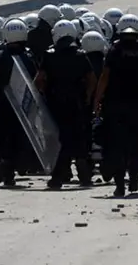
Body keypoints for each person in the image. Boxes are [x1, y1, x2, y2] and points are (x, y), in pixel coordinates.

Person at [94, 14, 138, 197]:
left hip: (115, 104)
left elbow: (105, 76)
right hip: (137, 104)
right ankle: (134, 181)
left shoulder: (114, 50)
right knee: (135, 142)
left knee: (116, 143)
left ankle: (120, 185)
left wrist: (97, 99)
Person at [35, 20, 96, 189]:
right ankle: (83, 175)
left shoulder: (49, 55)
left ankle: (58, 178)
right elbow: (92, 79)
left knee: (64, 140)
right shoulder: (81, 55)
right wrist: (88, 98)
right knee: (77, 137)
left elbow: (39, 79)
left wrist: (43, 95)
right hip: (76, 103)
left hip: (54, 104)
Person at [0, 18, 35, 186]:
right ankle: (11, 170)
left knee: (1, 137)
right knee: (17, 138)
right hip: (22, 106)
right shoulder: (28, 57)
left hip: (1, 104)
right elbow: (34, 81)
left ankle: (2, 166)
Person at [80, 30, 109, 177]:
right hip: (104, 103)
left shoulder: (82, 60)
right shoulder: (105, 61)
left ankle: (87, 166)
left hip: (86, 104)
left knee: (86, 136)